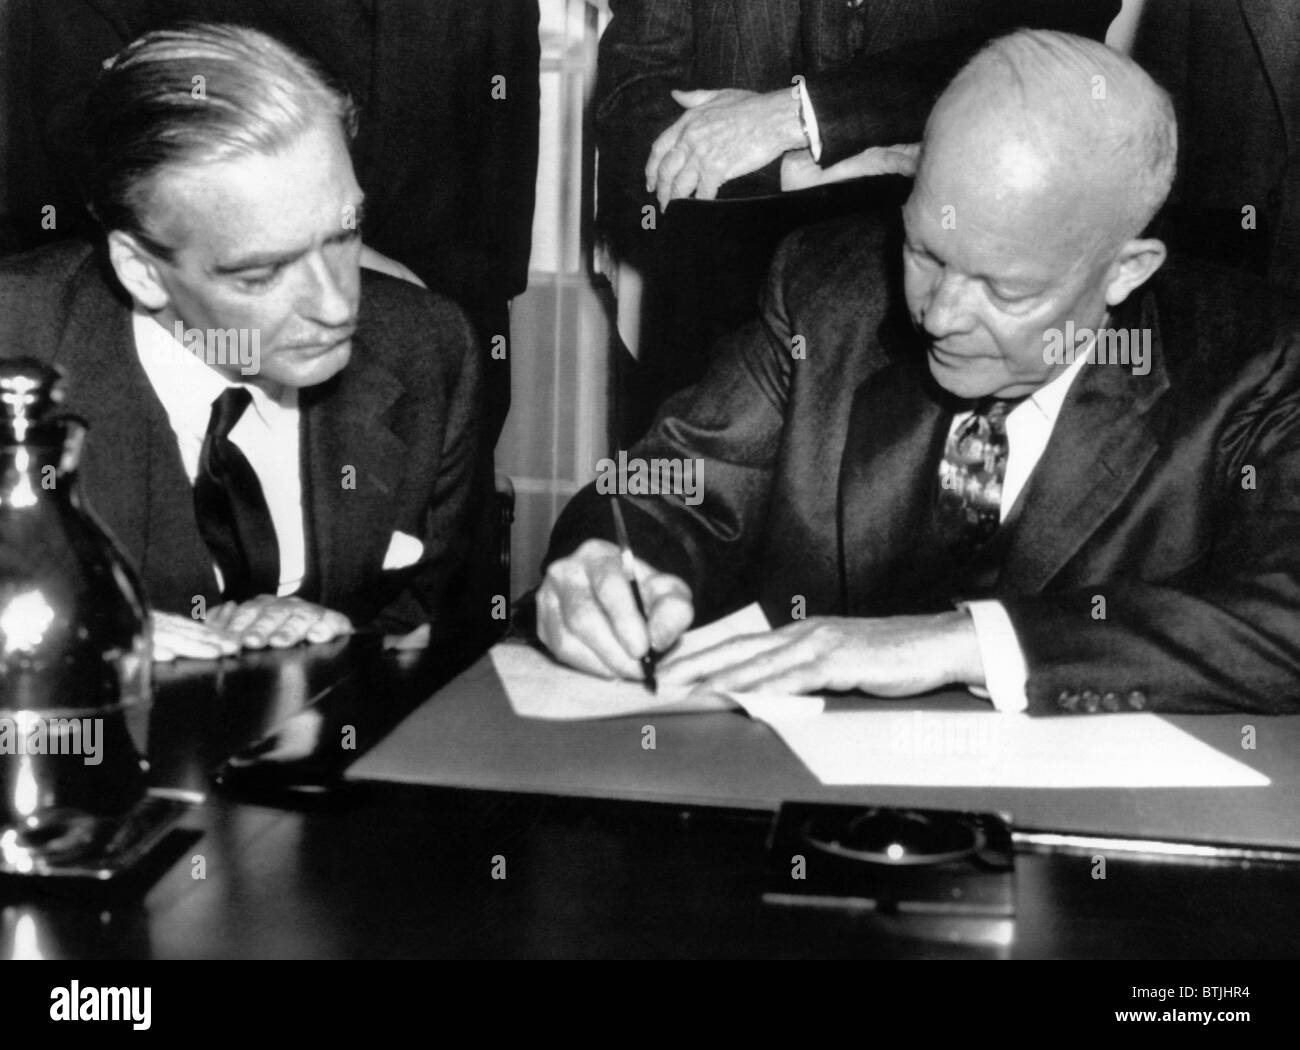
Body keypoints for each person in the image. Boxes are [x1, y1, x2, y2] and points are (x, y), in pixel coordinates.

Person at [537, 29, 1300, 716]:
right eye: (924, 254)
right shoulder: (825, 292)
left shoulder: (1254, 360)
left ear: (1124, 271)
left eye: (1004, 289)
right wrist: (607, 560)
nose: (937, 315)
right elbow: (667, 485)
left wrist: (962, 642)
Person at [0, 24, 486, 661]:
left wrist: (333, 642)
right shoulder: (16, 341)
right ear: (141, 270)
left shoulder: (425, 348)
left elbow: (439, 628)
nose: (338, 305)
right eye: (261, 273)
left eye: (345, 235)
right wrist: (76, 633)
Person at [594, 0, 1120, 441]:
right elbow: (630, 108)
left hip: (953, 318)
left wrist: (806, 114)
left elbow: (1057, 44)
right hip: (731, 323)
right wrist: (809, 166)